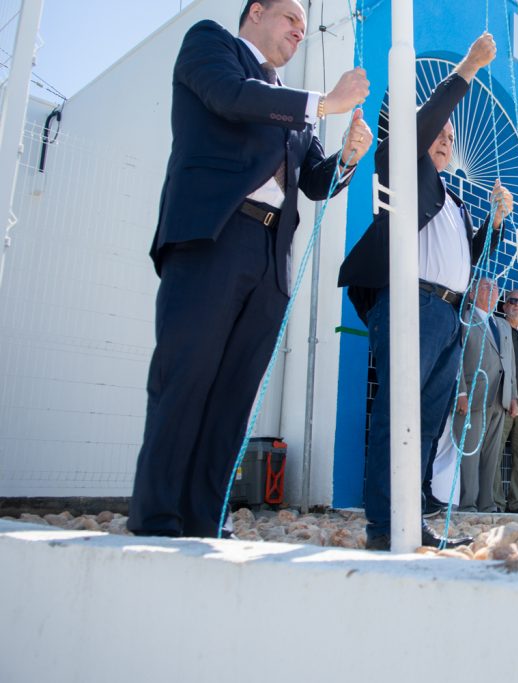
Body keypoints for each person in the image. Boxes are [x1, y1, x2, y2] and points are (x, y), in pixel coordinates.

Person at [128, 0, 373, 538]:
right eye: (291, 19)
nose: (299, 32)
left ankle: (203, 518)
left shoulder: (292, 107)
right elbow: (231, 99)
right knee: (185, 376)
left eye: (305, 28)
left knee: (235, 394)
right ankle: (156, 517)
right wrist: (325, 104)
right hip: (213, 236)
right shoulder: (211, 45)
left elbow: (314, 182)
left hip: (271, 253)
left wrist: (350, 158)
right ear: (256, 11)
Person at [338, 33, 514, 550]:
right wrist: (466, 70)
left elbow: (471, 259)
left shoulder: (452, 200)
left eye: (449, 137)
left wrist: (495, 224)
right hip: (411, 303)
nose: (445, 139)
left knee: (429, 421)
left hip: (448, 316)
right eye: (438, 130)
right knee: (399, 416)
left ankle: (409, 519)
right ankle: (383, 525)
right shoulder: (402, 167)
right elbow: (418, 132)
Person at [454, 279, 517, 512]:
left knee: (492, 455)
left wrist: (514, 397)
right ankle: (467, 503)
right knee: (469, 453)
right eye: (485, 287)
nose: (492, 291)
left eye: (495, 288)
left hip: (500, 398)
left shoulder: (502, 325)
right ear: (471, 294)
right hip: (472, 397)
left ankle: (487, 503)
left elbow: (509, 364)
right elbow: (457, 358)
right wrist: (460, 392)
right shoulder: (464, 320)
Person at [492, 288, 518, 514]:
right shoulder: (496, 328)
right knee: (495, 451)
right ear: (505, 305)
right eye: (513, 301)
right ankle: (495, 501)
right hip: (501, 398)